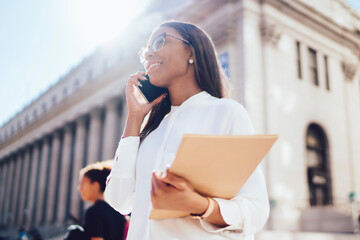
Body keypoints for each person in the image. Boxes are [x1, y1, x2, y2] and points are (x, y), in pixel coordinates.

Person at [105, 21, 269, 240]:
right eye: (146, 51)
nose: (149, 54)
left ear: (191, 51)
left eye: (159, 41)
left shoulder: (226, 112)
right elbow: (119, 200)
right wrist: (134, 118)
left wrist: (201, 206)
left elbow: (256, 210)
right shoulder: (152, 132)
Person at [77, 161, 127, 240]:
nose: (79, 189)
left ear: (95, 185)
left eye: (82, 184)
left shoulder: (93, 212)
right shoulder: (118, 212)